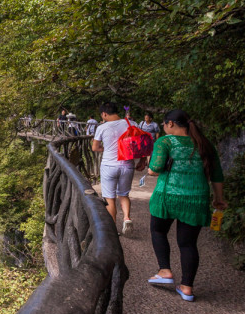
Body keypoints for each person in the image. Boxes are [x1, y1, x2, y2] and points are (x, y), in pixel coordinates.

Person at [144, 108, 226, 301]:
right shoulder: (204, 144)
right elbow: (216, 175)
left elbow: (154, 169)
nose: (164, 128)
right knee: (188, 244)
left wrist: (150, 170)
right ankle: (187, 287)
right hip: (196, 199)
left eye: (164, 124)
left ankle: (165, 270)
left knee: (158, 231)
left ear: (170, 124)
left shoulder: (165, 141)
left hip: (167, 197)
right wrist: (218, 198)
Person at [90, 102, 134, 235]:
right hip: (127, 165)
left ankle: (113, 229)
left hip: (109, 165)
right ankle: (126, 218)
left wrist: (106, 148)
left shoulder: (102, 127)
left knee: (110, 198)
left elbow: (95, 148)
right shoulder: (131, 124)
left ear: (104, 114)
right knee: (124, 194)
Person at [137, 114, 159, 186]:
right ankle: (142, 165)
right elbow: (139, 130)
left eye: (147, 118)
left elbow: (157, 132)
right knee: (143, 154)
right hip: (143, 140)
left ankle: (150, 167)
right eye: (145, 117)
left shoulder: (154, 125)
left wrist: (157, 140)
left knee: (150, 154)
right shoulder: (142, 123)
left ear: (151, 118)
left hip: (151, 141)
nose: (145, 119)